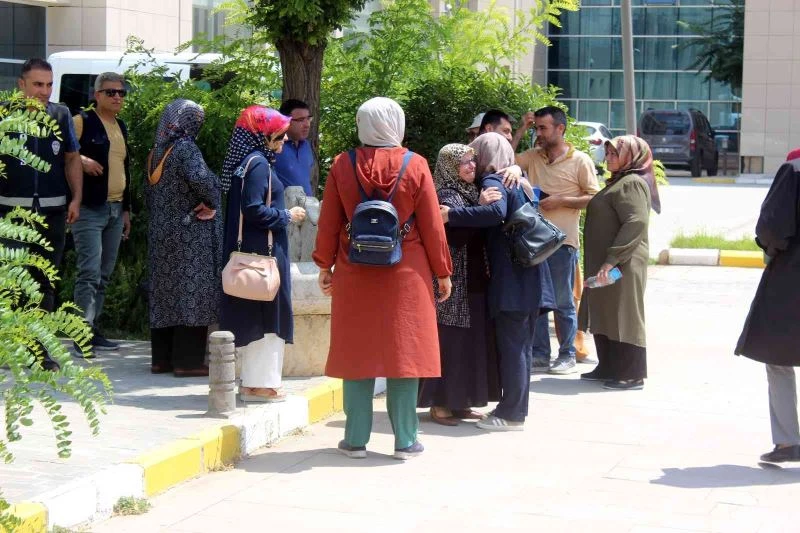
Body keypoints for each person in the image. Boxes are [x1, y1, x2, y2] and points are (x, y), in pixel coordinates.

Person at [313, 97, 453, 460]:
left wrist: (324, 265)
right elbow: (432, 225)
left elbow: (329, 219)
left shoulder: (342, 165)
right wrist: (443, 272)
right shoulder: (416, 165)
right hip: (407, 271)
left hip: (354, 269)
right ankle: (406, 440)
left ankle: (356, 439)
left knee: (356, 351)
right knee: (404, 353)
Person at [446, 132, 551, 431]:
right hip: (531, 278)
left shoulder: (495, 181)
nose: (474, 162)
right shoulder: (520, 181)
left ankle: (512, 414)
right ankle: (513, 408)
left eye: (476, 155)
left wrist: (450, 215)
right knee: (522, 347)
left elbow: (495, 212)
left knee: (514, 347)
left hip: (512, 281)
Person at [0, 58, 83, 371]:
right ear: (21, 84)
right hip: (11, 212)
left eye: (48, 85)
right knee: (11, 283)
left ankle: (37, 351)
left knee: (43, 282)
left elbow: (72, 159)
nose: (44, 91)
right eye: (38, 84)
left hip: (53, 212)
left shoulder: (60, 114)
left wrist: (76, 199)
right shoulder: (5, 113)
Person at [219, 106, 306, 402]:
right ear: (262, 136)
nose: (282, 143)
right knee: (268, 317)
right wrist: (286, 215)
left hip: (255, 252)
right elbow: (253, 209)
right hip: (263, 255)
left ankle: (256, 382)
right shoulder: (257, 165)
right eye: (278, 137)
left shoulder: (248, 162)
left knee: (258, 315)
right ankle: (260, 385)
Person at [418, 143, 500, 425]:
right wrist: (480, 207)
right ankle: (440, 404)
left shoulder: (468, 192)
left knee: (471, 343)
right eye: (463, 162)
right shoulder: (446, 194)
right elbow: (456, 236)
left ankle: (462, 401)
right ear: (449, 167)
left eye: (472, 161)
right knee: (451, 344)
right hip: (453, 284)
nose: (471, 167)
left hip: (474, 280)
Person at [515, 106, 599, 375]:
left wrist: (562, 200)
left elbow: (595, 197)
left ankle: (567, 353)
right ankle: (540, 353)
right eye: (536, 127)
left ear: (560, 129)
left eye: (543, 128)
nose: (539, 133)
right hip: (534, 243)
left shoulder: (580, 160)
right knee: (538, 300)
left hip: (563, 244)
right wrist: (521, 130)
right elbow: (505, 161)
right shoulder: (534, 156)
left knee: (563, 301)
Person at [145, 99, 222, 377]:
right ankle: (187, 362)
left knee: (165, 294)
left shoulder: (157, 151)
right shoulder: (186, 148)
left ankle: (162, 359)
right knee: (192, 293)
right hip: (189, 234)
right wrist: (212, 201)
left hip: (162, 234)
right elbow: (202, 181)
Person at [578, 135, 660, 390]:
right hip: (607, 262)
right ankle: (609, 366)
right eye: (608, 152)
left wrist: (612, 260)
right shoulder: (618, 181)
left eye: (615, 153)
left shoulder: (632, 183)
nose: (609, 157)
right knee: (605, 312)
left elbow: (635, 222)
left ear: (632, 157)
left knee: (625, 315)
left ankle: (631, 373)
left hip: (623, 263)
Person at [735, 149, 800, 463]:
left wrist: (771, 249)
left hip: (792, 278)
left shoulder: (794, 169)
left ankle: (788, 442)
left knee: (779, 357)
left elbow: (772, 227)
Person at [71, 72, 131, 356]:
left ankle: (92, 330)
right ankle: (80, 335)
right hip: (89, 209)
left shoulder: (121, 126)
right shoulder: (81, 121)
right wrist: (80, 159)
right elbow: (59, 153)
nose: (117, 96)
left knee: (104, 275)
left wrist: (127, 212)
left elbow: (125, 170)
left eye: (121, 92)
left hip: (116, 210)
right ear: (97, 95)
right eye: (110, 92)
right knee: (89, 273)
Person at [273, 99, 315, 196]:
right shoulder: (275, 146)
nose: (307, 125)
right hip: (283, 209)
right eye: (301, 120)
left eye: (308, 119)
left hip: (307, 208)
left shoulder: (306, 146)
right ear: (285, 121)